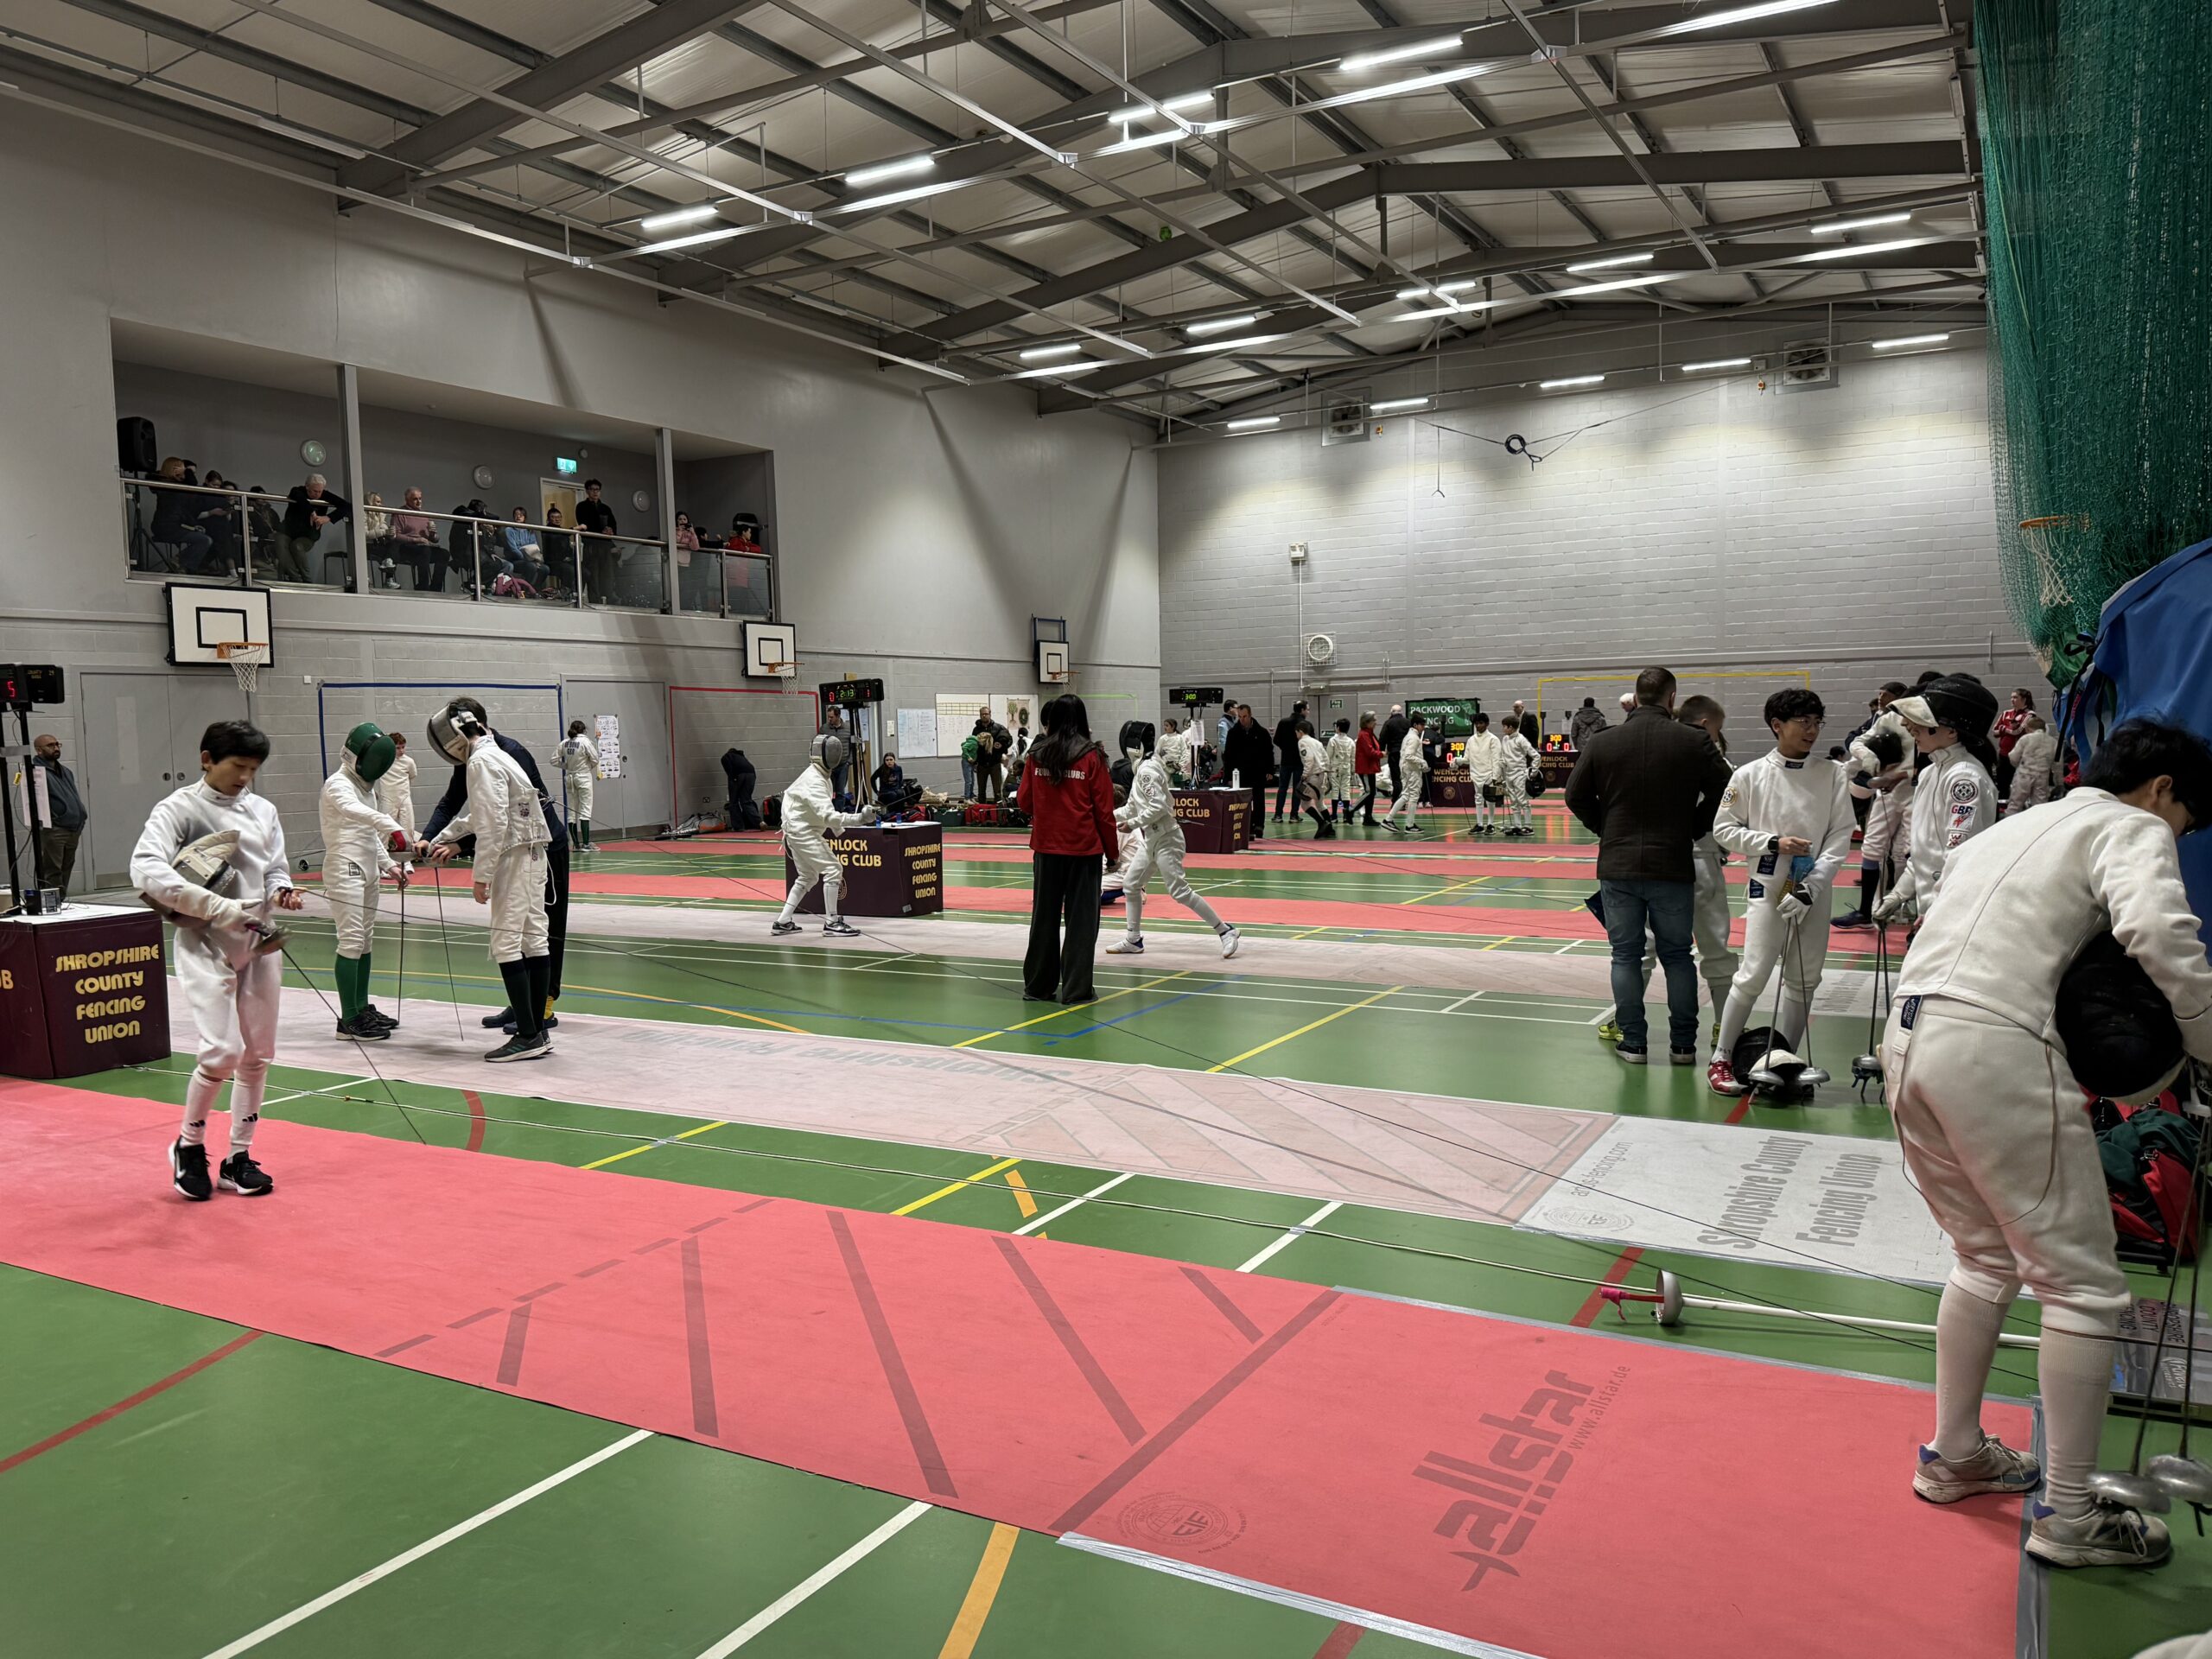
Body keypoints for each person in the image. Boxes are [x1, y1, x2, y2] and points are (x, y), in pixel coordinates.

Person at [1889, 719, 2212, 1571]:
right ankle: (2069, 1518)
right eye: (2183, 819)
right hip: (1991, 1049)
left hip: (1907, 1041)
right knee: (2083, 1292)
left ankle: (1956, 1455)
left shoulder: (2013, 829)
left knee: (1984, 1257)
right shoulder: (2130, 824)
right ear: (2163, 789)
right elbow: (2160, 936)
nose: (2174, 834)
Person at [133, 719, 304, 1199]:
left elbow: (273, 865)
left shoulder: (263, 810)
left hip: (258, 942)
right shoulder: (178, 809)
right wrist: (218, 908)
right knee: (222, 1052)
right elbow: (145, 870)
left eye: (253, 769)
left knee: (258, 1055)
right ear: (206, 758)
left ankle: (238, 1156)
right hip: (206, 944)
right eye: (237, 766)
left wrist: (281, 890)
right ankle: (189, 1145)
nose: (245, 777)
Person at [1564, 667, 1734, 1065]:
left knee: (1625, 955)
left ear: (1635, 698)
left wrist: (1606, 828)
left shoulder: (1605, 741)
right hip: (1673, 863)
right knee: (1678, 957)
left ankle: (1635, 1043)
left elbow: (1575, 796)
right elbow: (1726, 790)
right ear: (1672, 699)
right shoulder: (1693, 741)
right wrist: (1693, 827)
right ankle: (1683, 1045)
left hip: (1618, 865)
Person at [1704, 690, 1855, 1096]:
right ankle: (1721, 1058)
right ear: (1777, 725)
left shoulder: (1832, 774)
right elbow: (1724, 829)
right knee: (1752, 974)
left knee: (1804, 981)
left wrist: (1813, 886)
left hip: (1813, 891)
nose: (1812, 730)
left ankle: (1786, 1058)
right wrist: (1772, 843)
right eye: (1803, 721)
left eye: (1817, 722)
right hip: (1767, 887)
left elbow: (1841, 835)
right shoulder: (1750, 775)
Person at [421, 697, 569, 1037]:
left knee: (509, 943)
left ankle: (533, 1026)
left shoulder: (486, 760)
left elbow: (493, 823)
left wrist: (480, 877)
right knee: (533, 939)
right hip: (531, 851)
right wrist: (438, 838)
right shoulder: (490, 754)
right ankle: (531, 1022)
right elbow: (480, 814)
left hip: (519, 853)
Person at [1106, 721, 1240, 959]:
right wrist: (1104, 816)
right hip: (1152, 840)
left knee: (1179, 891)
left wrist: (1133, 824)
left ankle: (1226, 931)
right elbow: (1132, 807)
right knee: (1131, 885)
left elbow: (1157, 807)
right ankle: (1133, 939)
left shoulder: (1146, 771)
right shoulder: (1144, 768)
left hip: (1166, 839)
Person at [1874, 675, 2001, 926]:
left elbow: (1958, 855)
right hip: (1932, 907)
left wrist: (1936, 909)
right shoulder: (1930, 773)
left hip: (1953, 909)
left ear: (1952, 731)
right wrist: (1898, 894)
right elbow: (1925, 854)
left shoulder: (1964, 778)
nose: (1910, 728)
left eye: (1921, 723)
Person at [1017, 695, 1118, 1001]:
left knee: (1044, 918)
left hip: (1046, 850)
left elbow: (1024, 802)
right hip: (1084, 852)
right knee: (1081, 924)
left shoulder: (1036, 755)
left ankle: (1037, 986)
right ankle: (1076, 989)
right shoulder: (1092, 757)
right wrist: (1113, 853)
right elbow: (1104, 811)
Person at [320, 722, 410, 1042]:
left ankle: (361, 1007)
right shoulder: (338, 785)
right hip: (345, 869)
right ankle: (348, 1020)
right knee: (351, 941)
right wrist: (394, 826)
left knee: (365, 941)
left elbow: (368, 832)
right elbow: (354, 812)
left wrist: (388, 865)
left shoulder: (366, 786)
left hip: (368, 868)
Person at [771, 732, 872, 938]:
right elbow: (828, 816)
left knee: (807, 877)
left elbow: (824, 816)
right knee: (834, 869)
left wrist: (845, 826)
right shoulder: (815, 780)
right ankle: (832, 922)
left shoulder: (819, 774)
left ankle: (783, 922)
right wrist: (859, 819)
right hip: (802, 831)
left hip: (798, 829)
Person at [1837, 681, 1915, 925]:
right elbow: (1856, 741)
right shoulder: (1885, 719)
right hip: (1885, 792)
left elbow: (1931, 763)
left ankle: (1909, 908)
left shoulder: (1928, 723)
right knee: (1871, 849)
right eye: (1879, 693)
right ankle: (1868, 910)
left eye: (1886, 694)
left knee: (1908, 853)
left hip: (1915, 792)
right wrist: (1870, 758)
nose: (1880, 697)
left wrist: (1900, 775)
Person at [27, 734, 86, 899]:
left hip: (74, 826)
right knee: (53, 868)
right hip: (55, 828)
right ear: (39, 750)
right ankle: (51, 901)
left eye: (57, 744)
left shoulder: (65, 771)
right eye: (51, 745)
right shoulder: (36, 773)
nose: (56, 748)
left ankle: (61, 899)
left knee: (67, 864)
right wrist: (52, 820)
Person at [148, 458, 218, 575]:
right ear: (173, 469)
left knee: (206, 539)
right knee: (205, 540)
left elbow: (183, 511)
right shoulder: (166, 485)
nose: (185, 472)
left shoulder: (176, 486)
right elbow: (192, 485)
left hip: (174, 525)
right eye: (183, 468)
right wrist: (188, 472)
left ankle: (181, 566)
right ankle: (181, 563)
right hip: (166, 527)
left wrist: (192, 526)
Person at [281, 473, 351, 584]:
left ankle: (307, 580)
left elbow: (347, 506)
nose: (317, 494)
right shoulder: (297, 491)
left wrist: (328, 518)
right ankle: (295, 578)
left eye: (320, 491)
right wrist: (311, 512)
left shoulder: (325, 495)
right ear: (307, 486)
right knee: (280, 542)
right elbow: (298, 496)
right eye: (314, 491)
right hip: (288, 531)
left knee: (297, 546)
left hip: (308, 534)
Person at [1222, 703, 1273, 840]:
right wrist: (1228, 776)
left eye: (1244, 716)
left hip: (1258, 771)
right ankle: (1248, 826)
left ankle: (1259, 826)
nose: (1242, 719)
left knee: (1259, 800)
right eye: (1240, 717)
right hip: (1240, 772)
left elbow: (1269, 752)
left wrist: (1270, 770)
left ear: (1250, 716)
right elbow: (1228, 756)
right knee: (1244, 801)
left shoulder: (1261, 732)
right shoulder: (1233, 733)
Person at [2005, 715, 2061, 815]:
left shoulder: (2025, 739)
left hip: (2024, 775)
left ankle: (2008, 828)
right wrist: (2059, 783)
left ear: (2028, 728)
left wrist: (2019, 766)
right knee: (2040, 807)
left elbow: (2013, 757)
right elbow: (2058, 765)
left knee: (2015, 806)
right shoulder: (2053, 742)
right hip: (2042, 778)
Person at [575, 478, 619, 602]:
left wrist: (611, 531)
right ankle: (595, 601)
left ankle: (609, 598)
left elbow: (613, 524)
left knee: (607, 574)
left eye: (597, 490)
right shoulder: (582, 507)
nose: (595, 492)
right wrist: (601, 531)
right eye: (592, 490)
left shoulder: (605, 508)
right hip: (591, 545)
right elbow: (584, 524)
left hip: (605, 545)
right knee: (593, 574)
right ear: (587, 491)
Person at [1385, 712, 1429, 834]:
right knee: (1413, 796)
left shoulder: (1408, 736)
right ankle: (1409, 825)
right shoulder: (1414, 738)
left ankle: (1389, 819)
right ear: (1415, 725)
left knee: (1406, 795)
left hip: (1407, 769)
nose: (1423, 727)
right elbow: (1409, 756)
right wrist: (1423, 762)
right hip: (1411, 770)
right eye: (1422, 725)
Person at [558, 719, 600, 851]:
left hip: (570, 777)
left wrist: (566, 766)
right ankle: (586, 844)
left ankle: (576, 845)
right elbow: (595, 759)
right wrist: (588, 767)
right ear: (583, 730)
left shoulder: (565, 743)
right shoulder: (585, 742)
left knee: (571, 811)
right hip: (583, 777)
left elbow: (553, 760)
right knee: (585, 810)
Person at [389, 488, 441, 591]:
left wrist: (433, 534)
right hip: (407, 547)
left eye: (420, 499)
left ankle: (436, 588)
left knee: (444, 554)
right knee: (425, 551)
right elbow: (396, 536)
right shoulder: (400, 513)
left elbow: (435, 539)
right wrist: (415, 540)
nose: (419, 502)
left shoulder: (425, 514)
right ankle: (423, 586)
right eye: (415, 499)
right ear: (407, 500)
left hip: (425, 546)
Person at [1498, 713, 1538, 836]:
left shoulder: (1521, 739)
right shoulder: (1505, 739)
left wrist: (1533, 772)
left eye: (1504, 726)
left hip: (1520, 774)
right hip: (1508, 774)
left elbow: (1536, 756)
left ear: (1511, 727)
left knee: (1522, 801)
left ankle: (1528, 826)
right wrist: (1501, 766)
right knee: (1513, 801)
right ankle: (1517, 826)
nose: (1503, 729)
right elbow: (1503, 756)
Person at [376, 731, 418, 842]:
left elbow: (412, 776)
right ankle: (382, 857)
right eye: (398, 748)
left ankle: (408, 858)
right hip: (388, 798)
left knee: (408, 828)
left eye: (403, 747)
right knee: (384, 829)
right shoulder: (382, 761)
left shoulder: (409, 762)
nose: (401, 751)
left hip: (404, 797)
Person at [1296, 720, 1335, 839]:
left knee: (1305, 803)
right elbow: (1326, 758)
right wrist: (1327, 774)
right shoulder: (1316, 742)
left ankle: (1322, 823)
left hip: (1312, 776)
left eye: (1296, 733)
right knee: (1320, 803)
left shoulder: (1302, 742)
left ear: (1300, 732)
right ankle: (1330, 829)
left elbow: (1309, 759)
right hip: (1322, 775)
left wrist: (1304, 775)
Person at [1994, 687, 2035, 797]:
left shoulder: (2030, 715)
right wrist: (2006, 730)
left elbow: (2018, 731)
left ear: (2024, 699)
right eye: (2011, 697)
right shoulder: (2005, 713)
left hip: (2019, 755)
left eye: (2015, 697)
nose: (2012, 700)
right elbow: (1995, 732)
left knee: (2019, 782)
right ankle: (2003, 803)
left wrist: (2003, 729)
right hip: (2003, 753)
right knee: (2002, 781)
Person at [1272, 701, 1308, 821]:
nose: (1308, 712)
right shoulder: (1306, 725)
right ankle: (1294, 815)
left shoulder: (1283, 722)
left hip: (1286, 760)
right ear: (1302, 710)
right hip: (1299, 761)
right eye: (1307, 709)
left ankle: (1278, 815)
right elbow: (1311, 743)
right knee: (1297, 789)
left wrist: (1286, 748)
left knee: (1282, 788)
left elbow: (1276, 740)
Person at [500, 508, 546, 594]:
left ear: (525, 517)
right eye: (516, 514)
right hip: (514, 559)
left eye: (521, 515)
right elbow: (513, 549)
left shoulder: (529, 529)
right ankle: (525, 589)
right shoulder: (509, 530)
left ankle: (535, 588)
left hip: (530, 558)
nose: (518, 516)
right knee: (531, 566)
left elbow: (534, 546)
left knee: (545, 569)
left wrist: (535, 559)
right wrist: (527, 559)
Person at [972, 705, 1011, 804]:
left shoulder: (998, 728)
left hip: (995, 764)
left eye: (986, 714)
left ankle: (999, 815)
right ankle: (981, 815)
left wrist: (1001, 745)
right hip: (981, 764)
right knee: (981, 792)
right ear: (980, 716)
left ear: (990, 714)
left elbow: (1009, 740)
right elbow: (973, 746)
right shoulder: (976, 730)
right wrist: (974, 762)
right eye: (982, 714)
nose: (984, 716)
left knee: (997, 792)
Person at [540, 505, 577, 599]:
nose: (557, 519)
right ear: (548, 519)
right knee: (570, 570)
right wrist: (574, 529)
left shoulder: (563, 532)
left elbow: (568, 549)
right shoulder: (547, 531)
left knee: (585, 572)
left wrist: (570, 557)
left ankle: (575, 593)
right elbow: (556, 538)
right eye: (554, 517)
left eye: (559, 517)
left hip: (564, 561)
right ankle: (562, 593)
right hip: (552, 562)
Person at [1353, 712, 1383, 826]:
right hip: (1365, 768)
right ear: (1367, 722)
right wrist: (1382, 754)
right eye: (1374, 720)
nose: (1376, 722)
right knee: (1368, 792)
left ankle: (1368, 817)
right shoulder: (1364, 735)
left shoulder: (1370, 734)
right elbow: (1370, 752)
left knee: (1371, 793)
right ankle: (1351, 810)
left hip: (1370, 767)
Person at [721, 747, 760, 830]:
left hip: (738, 775)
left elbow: (729, 770)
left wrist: (733, 779)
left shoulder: (726, 757)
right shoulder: (742, 757)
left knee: (734, 802)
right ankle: (759, 822)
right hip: (751, 775)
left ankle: (738, 827)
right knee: (746, 801)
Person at [872, 753, 920, 817]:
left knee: (901, 793)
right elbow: (872, 779)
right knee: (893, 795)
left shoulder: (898, 769)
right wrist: (876, 791)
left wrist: (900, 789)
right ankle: (891, 814)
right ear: (884, 761)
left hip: (895, 790)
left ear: (894, 760)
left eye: (891, 760)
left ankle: (899, 813)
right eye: (887, 760)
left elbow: (900, 781)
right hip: (884, 792)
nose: (889, 762)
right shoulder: (881, 769)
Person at [1379, 703, 1410, 804]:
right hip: (1407, 754)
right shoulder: (1408, 722)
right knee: (1406, 778)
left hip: (1394, 754)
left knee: (1396, 779)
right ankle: (1405, 800)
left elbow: (1382, 738)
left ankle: (1396, 801)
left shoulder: (1388, 723)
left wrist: (1382, 751)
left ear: (1391, 712)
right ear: (1401, 712)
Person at [1325, 717, 1355, 822]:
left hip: (1335, 769)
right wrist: (1353, 771)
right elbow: (1353, 758)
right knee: (1345, 791)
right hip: (1346, 769)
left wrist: (1326, 771)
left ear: (1337, 728)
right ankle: (1346, 816)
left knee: (1335, 791)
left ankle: (1334, 816)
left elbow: (1328, 757)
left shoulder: (1333, 740)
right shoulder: (1351, 741)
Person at [673, 511, 702, 611]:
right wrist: (679, 531)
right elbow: (675, 542)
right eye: (680, 519)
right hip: (674, 564)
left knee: (685, 588)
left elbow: (695, 547)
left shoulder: (690, 533)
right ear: (676, 521)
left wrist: (693, 533)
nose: (682, 521)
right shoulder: (673, 530)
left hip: (686, 564)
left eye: (684, 519)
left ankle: (683, 608)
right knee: (676, 588)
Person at [1159, 717, 1192, 786]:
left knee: (1178, 783)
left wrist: (1180, 765)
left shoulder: (1180, 737)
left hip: (1177, 766)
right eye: (1164, 725)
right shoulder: (1162, 738)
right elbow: (1157, 752)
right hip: (1166, 766)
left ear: (1173, 726)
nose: (1165, 727)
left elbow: (1184, 751)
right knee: (1165, 783)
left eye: (1167, 725)